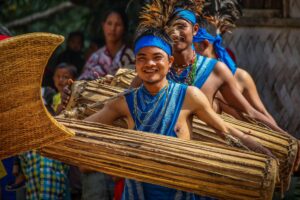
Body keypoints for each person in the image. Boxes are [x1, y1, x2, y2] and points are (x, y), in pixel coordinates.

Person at [82, 26, 273, 199]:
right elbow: (83, 129)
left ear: (170, 61)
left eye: (157, 57)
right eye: (142, 57)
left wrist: (265, 155)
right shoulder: (124, 102)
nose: (149, 63)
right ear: (136, 63)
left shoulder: (189, 96)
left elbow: (228, 132)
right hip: (138, 194)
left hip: (181, 193)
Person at [193, 28, 276, 123]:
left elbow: (261, 112)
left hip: (244, 133)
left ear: (205, 44)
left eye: (192, 48)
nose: (189, 53)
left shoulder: (241, 76)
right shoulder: (192, 79)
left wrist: (282, 136)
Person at [78, 8, 135, 81]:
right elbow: (82, 82)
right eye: (109, 23)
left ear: (124, 28)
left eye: (118, 25)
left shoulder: (129, 56)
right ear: (103, 25)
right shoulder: (96, 57)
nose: (112, 29)